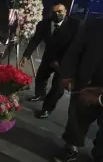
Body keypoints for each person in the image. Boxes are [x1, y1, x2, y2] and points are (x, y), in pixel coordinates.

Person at [53, 18, 103, 162]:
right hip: (85, 84)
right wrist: (67, 75)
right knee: (77, 119)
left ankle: (99, 153)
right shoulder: (93, 24)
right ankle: (71, 147)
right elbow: (75, 50)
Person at [19, 3, 80, 119]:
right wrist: (26, 56)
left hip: (65, 61)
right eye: (54, 12)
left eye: (60, 12)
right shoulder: (44, 24)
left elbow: (75, 47)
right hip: (48, 57)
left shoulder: (75, 25)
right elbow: (35, 40)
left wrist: (61, 62)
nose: (57, 14)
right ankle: (40, 95)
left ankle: (46, 108)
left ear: (66, 12)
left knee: (58, 88)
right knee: (41, 77)